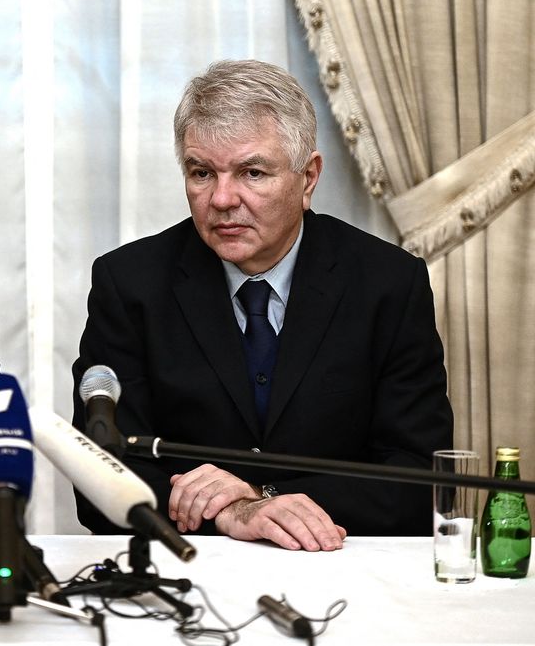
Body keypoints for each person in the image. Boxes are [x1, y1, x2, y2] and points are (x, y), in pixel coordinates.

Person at [71, 60, 452, 552]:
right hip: (192, 562)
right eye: (201, 172)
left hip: (340, 562)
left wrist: (262, 496)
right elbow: (98, 477)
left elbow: (420, 477)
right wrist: (229, 514)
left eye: (252, 172)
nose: (223, 198)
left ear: (308, 177)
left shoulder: (387, 282)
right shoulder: (129, 282)